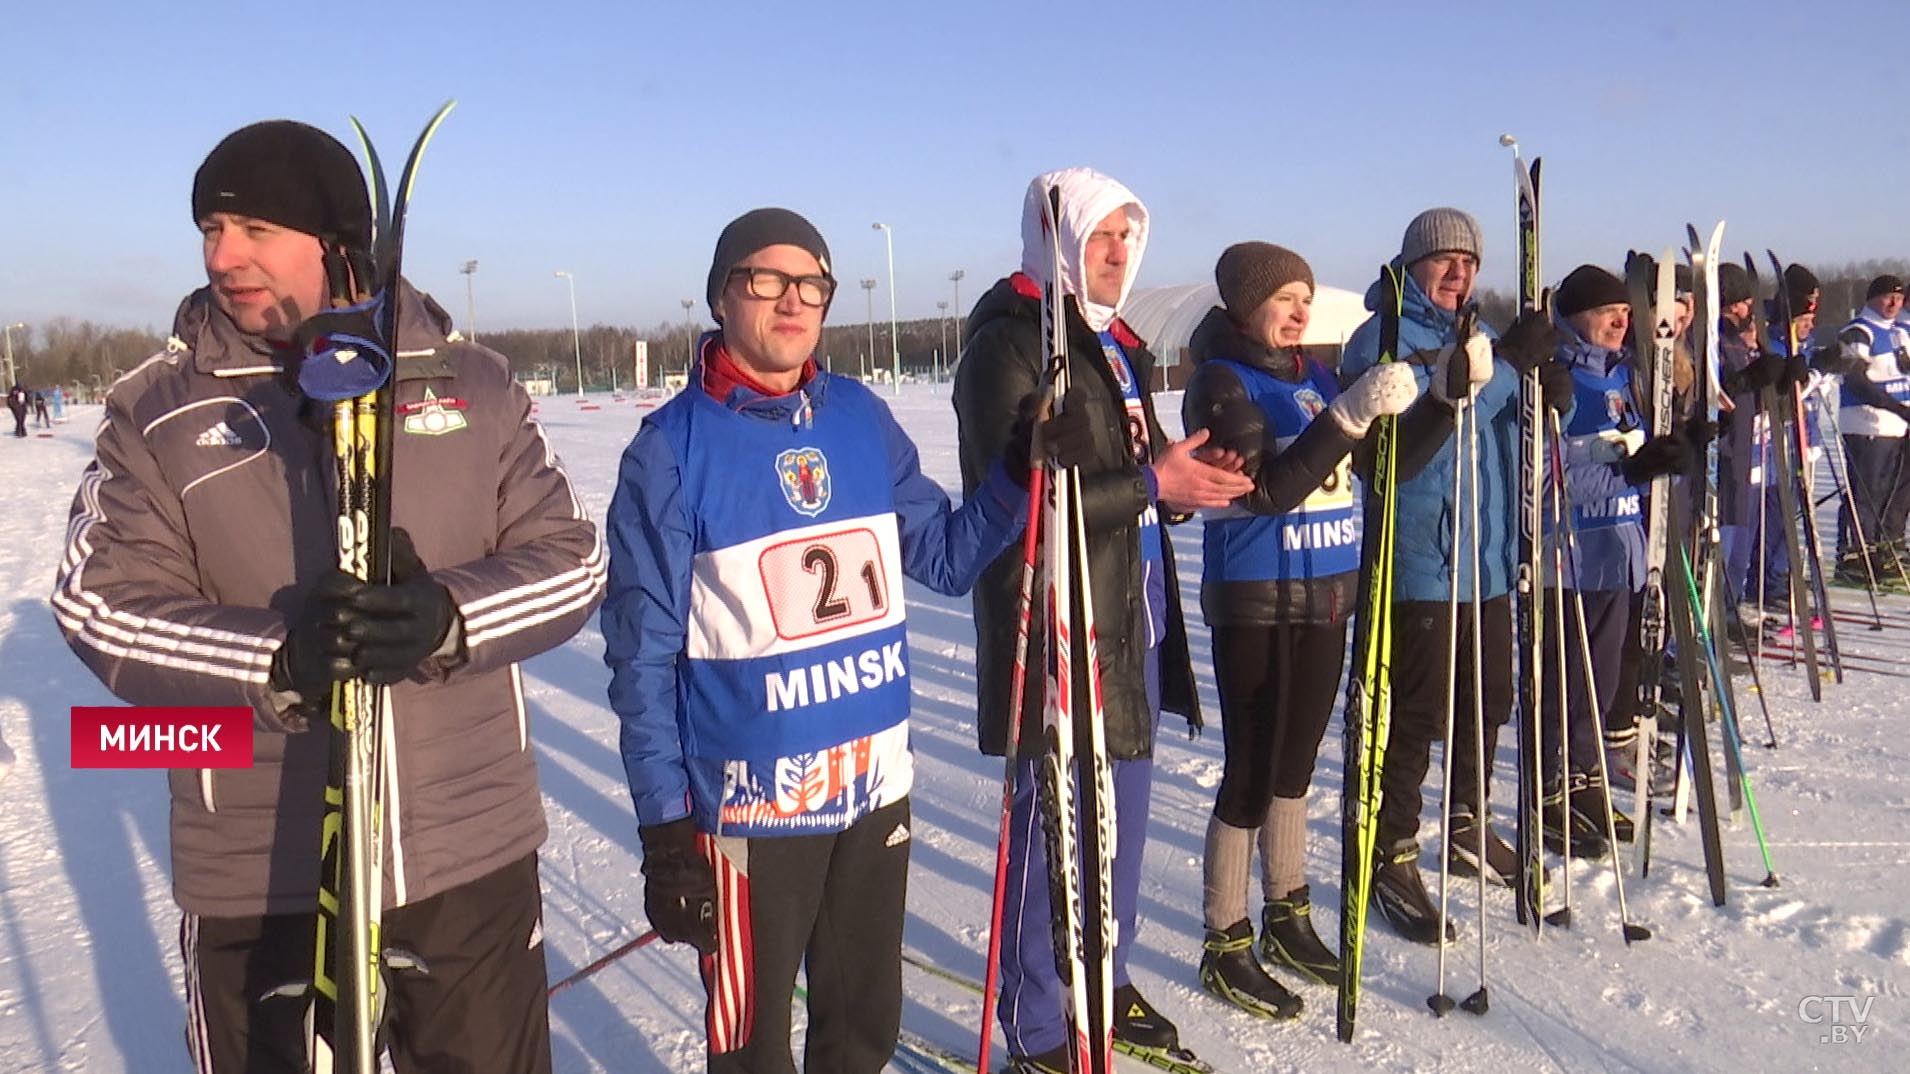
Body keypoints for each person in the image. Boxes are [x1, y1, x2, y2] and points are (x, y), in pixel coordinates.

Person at [51, 119, 604, 1074]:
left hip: (464, 852)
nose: (223, 256)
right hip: (257, 864)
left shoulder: (470, 382)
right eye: (211, 229)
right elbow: (97, 603)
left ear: (339, 244)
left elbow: (574, 560)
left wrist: (449, 615)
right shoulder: (159, 409)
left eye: (255, 229)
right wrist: (274, 656)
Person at [603, 208, 1047, 1074]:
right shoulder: (670, 449)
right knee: (752, 1046)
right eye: (766, 280)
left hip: (873, 783)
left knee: (861, 1030)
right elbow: (642, 656)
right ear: (723, 297)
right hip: (752, 811)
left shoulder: (857, 415)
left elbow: (946, 558)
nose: (792, 299)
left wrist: (1017, 474)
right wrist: (665, 829)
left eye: (811, 283)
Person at [952, 167, 1253, 1072]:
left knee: (1120, 826)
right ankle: (1041, 1025)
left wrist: (1181, 477)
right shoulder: (1010, 345)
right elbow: (1020, 508)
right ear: (1059, 243)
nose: (1119, 255)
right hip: (1057, 624)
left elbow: (1134, 469)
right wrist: (1155, 485)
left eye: (1129, 239)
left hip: (1133, 615)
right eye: (1101, 239)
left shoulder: (1111, 344)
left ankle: (1104, 977)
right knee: (1059, 831)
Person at [1179, 242, 1420, 1016]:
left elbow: (1385, 465)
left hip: (1326, 594)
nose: (1299, 311)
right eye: (1283, 298)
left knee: (1297, 767)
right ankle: (1226, 937)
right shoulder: (1221, 381)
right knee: (1251, 770)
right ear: (1245, 307)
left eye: (1304, 298)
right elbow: (1271, 489)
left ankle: (1288, 910)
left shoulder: (1313, 375)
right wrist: (1350, 414)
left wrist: (1438, 401)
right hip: (1257, 596)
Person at [1338, 208, 1569, 943]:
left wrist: (1546, 384)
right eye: (1443, 260)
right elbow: (1421, 407)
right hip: (1421, 560)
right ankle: (1392, 850)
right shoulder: (1379, 340)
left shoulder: (1478, 336)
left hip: (1489, 556)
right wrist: (1504, 363)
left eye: (1468, 261)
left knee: (1491, 698)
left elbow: (1505, 405)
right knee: (1419, 712)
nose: (1458, 272)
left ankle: (1468, 819)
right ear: (1411, 266)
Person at [1541, 265, 1696, 855]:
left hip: (1624, 552)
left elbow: (1645, 446)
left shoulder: (1626, 379)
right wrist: (1627, 471)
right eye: (1607, 312)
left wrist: (1677, 446)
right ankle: (1556, 789)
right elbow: (1548, 480)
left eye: (1624, 312)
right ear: (1576, 318)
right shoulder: (1557, 382)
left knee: (1604, 688)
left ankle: (1587, 782)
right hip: (1573, 556)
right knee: (1571, 683)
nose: (1620, 321)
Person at [1824, 275, 1910, 584]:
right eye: (1887, 297)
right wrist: (1897, 408)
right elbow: (1857, 381)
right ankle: (1853, 560)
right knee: (1866, 494)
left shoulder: (1899, 334)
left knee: (1889, 495)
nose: (1892, 304)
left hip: (1895, 428)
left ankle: (1879, 554)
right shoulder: (1858, 332)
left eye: (1898, 299)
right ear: (1872, 298)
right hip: (1866, 425)